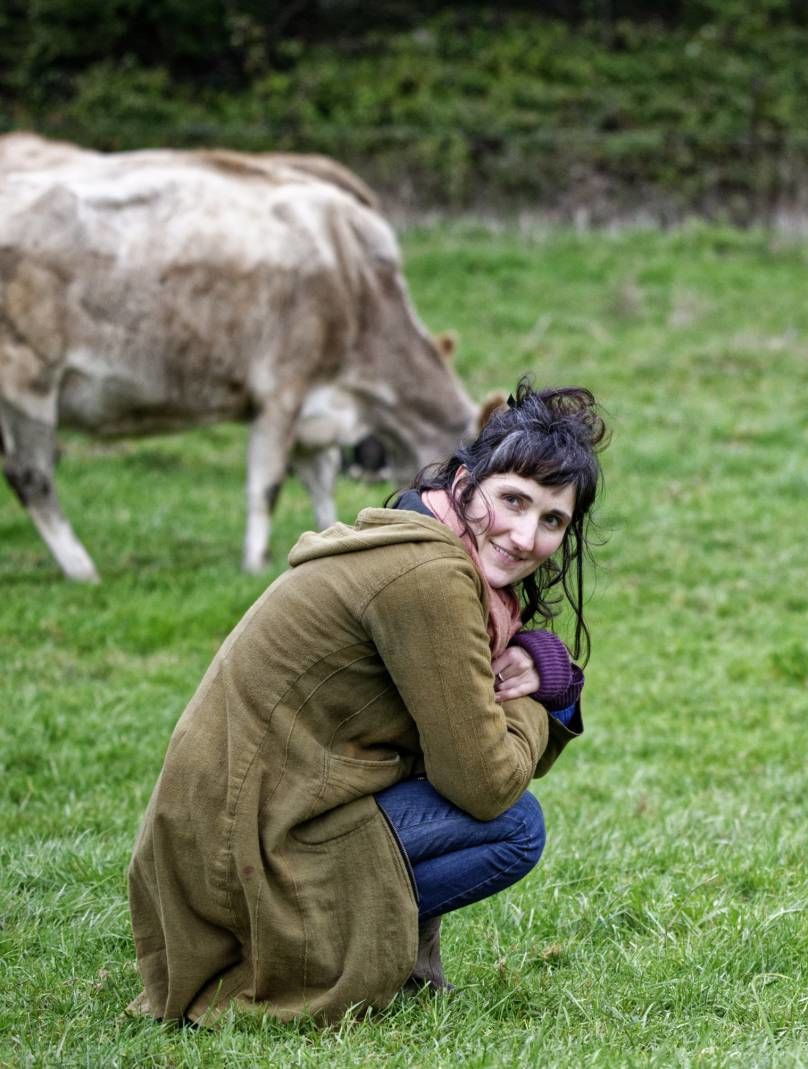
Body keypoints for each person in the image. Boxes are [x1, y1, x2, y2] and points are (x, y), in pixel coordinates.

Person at [126, 380, 608, 1024]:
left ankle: (387, 958)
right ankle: (302, 954)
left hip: (222, 832)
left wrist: (544, 678)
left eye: (552, 520)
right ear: (465, 485)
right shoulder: (428, 579)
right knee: (515, 827)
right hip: (242, 853)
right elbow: (484, 783)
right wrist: (539, 689)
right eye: (512, 501)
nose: (526, 537)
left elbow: (461, 743)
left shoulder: (425, 544)